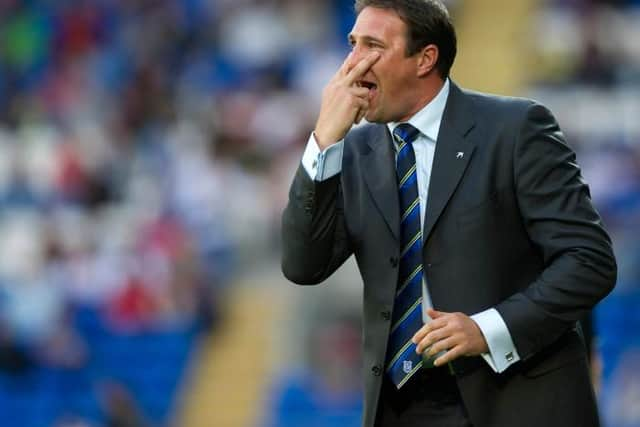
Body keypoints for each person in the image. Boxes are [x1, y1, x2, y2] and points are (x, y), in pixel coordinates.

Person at [280, 1, 617, 426]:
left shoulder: (514, 129)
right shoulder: (355, 153)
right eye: (352, 44)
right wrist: (322, 143)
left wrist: (487, 330)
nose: (352, 63)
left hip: (514, 398)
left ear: (425, 59)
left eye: (372, 46)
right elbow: (302, 265)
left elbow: (590, 261)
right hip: (403, 407)